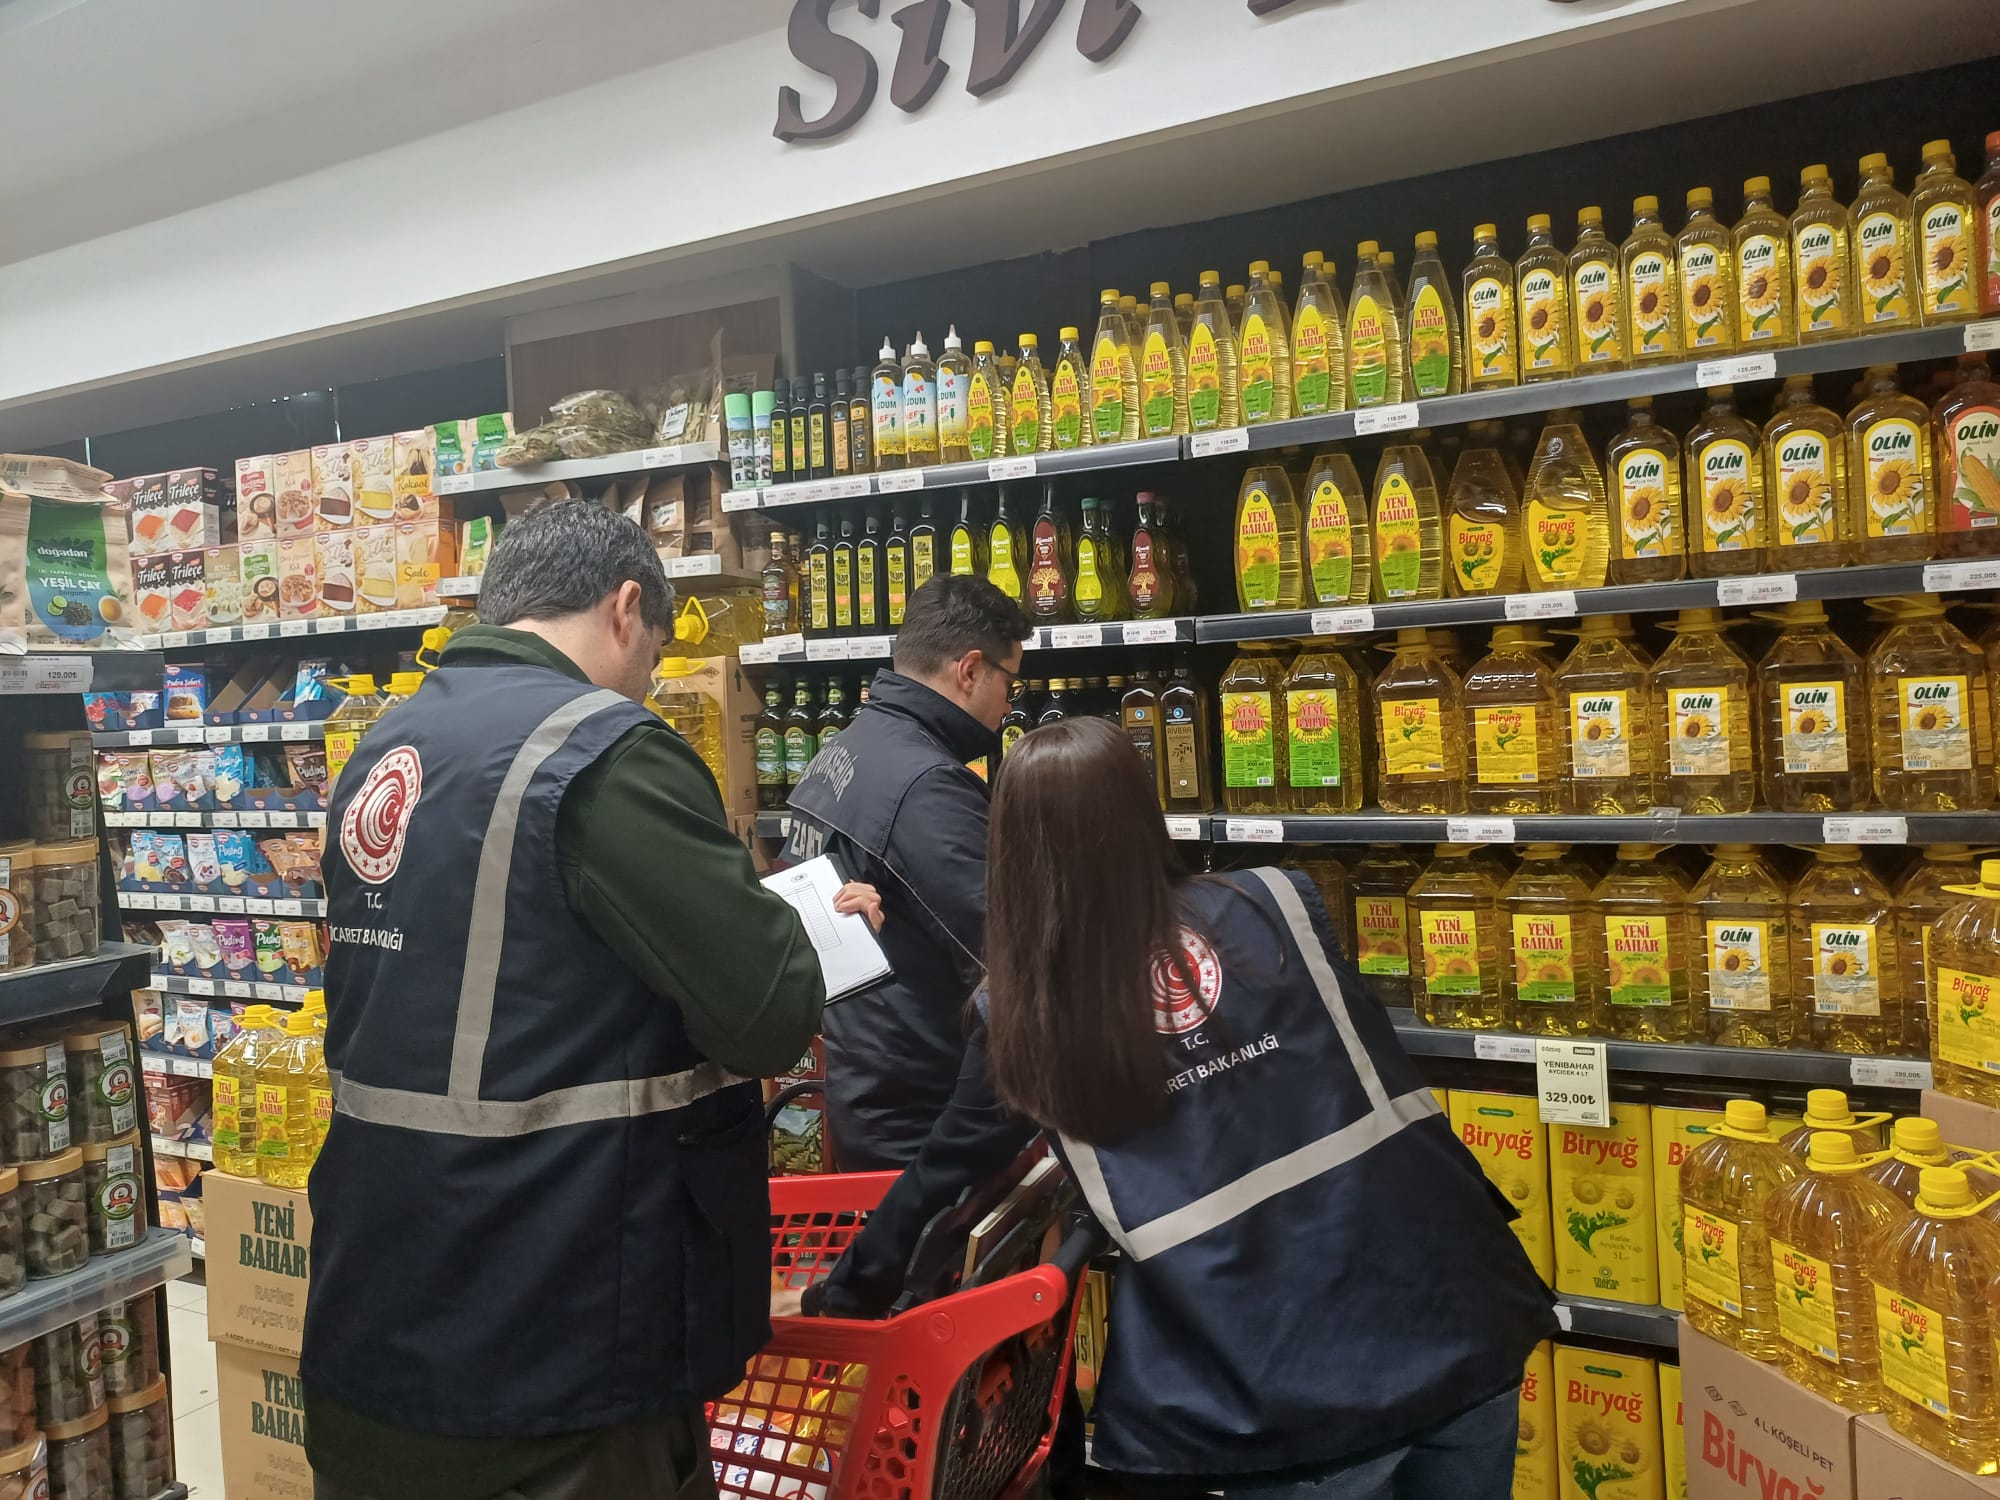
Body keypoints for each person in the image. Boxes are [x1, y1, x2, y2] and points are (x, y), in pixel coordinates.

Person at [800, 719, 1554, 1500]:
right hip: (1454, 1301)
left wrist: (839, 1298)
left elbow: (942, 1177)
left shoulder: (1031, 1011)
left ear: (1011, 846)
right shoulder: (1274, 900)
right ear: (1145, 811)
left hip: (1290, 1379)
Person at [305, 501, 872, 1500]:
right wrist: (783, 927)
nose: (650, 675)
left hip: (376, 1306)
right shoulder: (604, 749)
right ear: (623, 608)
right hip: (551, 1339)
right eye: (654, 647)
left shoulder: (389, 744)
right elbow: (767, 1014)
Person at [783, 573, 1032, 1170]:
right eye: (1010, 682)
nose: (1009, 705)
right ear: (970, 670)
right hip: (930, 1118)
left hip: (868, 1088)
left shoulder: (845, 747)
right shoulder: (927, 786)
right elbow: (1009, 956)